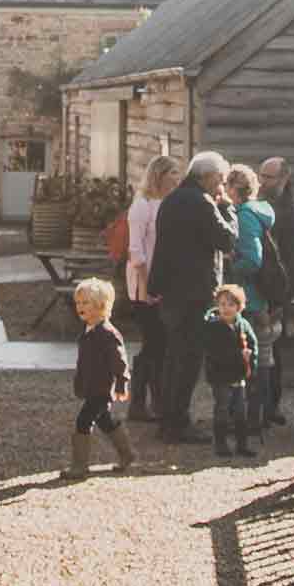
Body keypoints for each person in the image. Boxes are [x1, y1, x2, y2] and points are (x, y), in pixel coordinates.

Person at [148, 151, 237, 444]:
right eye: (220, 180)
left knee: (173, 357)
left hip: (172, 290)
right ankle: (178, 423)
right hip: (194, 293)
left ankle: (168, 419)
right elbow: (227, 240)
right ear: (207, 176)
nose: (221, 185)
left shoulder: (172, 199)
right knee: (188, 359)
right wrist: (228, 209)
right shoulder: (202, 202)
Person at [124, 153, 181, 423]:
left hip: (164, 283)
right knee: (153, 343)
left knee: (162, 344)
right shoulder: (142, 205)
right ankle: (139, 402)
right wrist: (147, 289)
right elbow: (136, 252)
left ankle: (158, 400)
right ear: (159, 175)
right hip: (144, 284)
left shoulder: (168, 203)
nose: (177, 178)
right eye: (173, 173)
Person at [226, 164, 277, 449]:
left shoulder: (245, 216)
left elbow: (253, 260)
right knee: (261, 360)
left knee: (248, 362)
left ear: (235, 188)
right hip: (261, 300)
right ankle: (259, 416)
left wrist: (231, 262)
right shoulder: (262, 211)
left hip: (249, 301)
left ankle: (249, 419)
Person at [64, 276, 132, 477]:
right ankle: (127, 454)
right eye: (78, 302)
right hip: (91, 386)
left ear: (101, 306)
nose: (80, 307)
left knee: (83, 421)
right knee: (106, 421)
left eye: (85, 303)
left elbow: (120, 362)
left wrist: (121, 383)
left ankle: (79, 466)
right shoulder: (89, 330)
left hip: (101, 389)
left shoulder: (107, 333)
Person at [257, 157, 294, 425]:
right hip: (263, 289)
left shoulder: (291, 214)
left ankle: (270, 406)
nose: (263, 181)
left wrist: (281, 300)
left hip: (277, 293)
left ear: (284, 179)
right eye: (261, 176)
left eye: (269, 177)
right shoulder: (264, 205)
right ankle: (261, 405)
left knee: (273, 352)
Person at [200, 283, 260, 458]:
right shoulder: (213, 327)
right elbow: (215, 353)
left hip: (239, 375)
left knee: (241, 411)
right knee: (222, 409)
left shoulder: (243, 325)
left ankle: (242, 444)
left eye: (231, 305)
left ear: (239, 307)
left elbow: (253, 344)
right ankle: (221, 444)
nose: (226, 308)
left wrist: (251, 362)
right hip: (220, 376)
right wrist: (239, 356)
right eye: (222, 304)